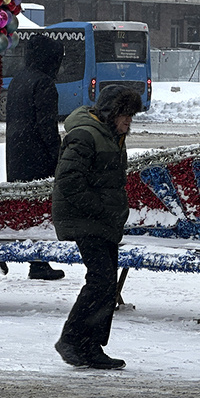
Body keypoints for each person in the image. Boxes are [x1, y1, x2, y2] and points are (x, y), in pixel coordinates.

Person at [52, 85, 143, 370]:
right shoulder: (85, 135)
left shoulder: (112, 136)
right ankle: (72, 339)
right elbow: (68, 181)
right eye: (123, 115)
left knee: (105, 284)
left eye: (131, 115)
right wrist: (100, 209)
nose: (128, 121)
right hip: (85, 219)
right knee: (101, 280)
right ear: (108, 113)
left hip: (102, 220)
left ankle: (90, 345)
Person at [4, 35, 66, 281]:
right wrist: (57, 154)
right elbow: (47, 125)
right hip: (37, 154)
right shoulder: (44, 83)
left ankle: (28, 257)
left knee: (24, 205)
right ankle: (39, 263)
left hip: (16, 151)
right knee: (41, 208)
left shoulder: (19, 79)